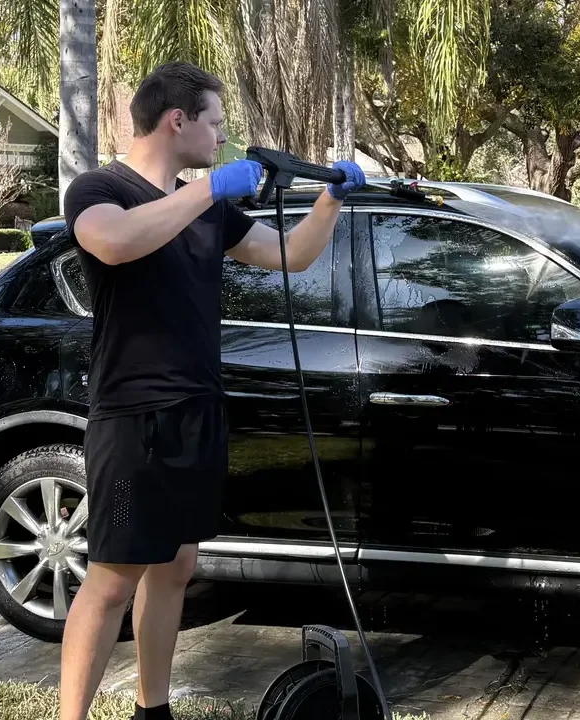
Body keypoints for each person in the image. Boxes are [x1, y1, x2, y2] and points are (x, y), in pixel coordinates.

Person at [57, 61, 365, 720]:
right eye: (215, 124)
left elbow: (291, 255)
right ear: (178, 120)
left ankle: (153, 709)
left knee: (174, 567)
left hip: (198, 410)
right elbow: (112, 244)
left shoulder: (210, 209)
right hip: (132, 416)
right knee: (113, 580)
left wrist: (331, 199)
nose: (221, 139)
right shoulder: (99, 189)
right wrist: (206, 191)